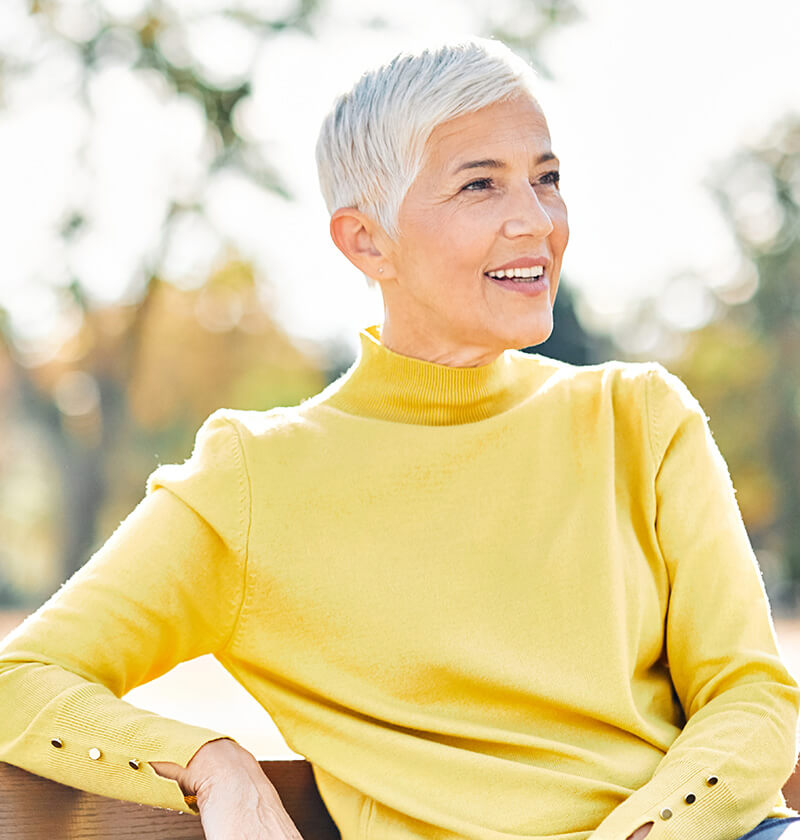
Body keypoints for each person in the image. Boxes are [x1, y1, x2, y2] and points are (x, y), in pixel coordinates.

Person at [0, 35, 798, 840]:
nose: (535, 220)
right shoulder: (253, 480)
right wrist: (214, 765)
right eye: (480, 185)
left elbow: (752, 696)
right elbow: (20, 680)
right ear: (365, 241)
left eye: (546, 179)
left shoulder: (642, 417)